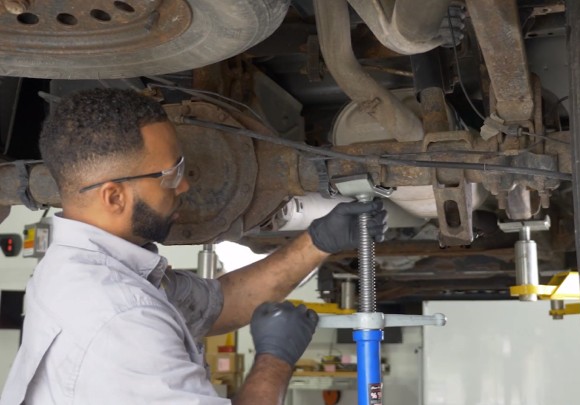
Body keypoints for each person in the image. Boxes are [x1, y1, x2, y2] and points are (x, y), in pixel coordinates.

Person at [0, 88, 387, 405]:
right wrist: (275, 360)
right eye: (172, 174)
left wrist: (318, 241)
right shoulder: (118, 318)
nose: (184, 186)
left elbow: (221, 304)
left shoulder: (93, 273)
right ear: (114, 197)